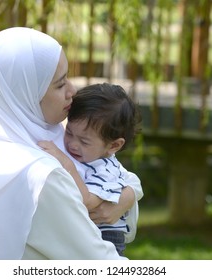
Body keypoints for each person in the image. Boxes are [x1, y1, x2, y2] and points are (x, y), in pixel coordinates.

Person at [0, 27, 143, 260]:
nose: (72, 90)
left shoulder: (34, 141)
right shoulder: (44, 174)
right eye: (60, 84)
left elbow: (120, 175)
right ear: (24, 93)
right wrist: (127, 196)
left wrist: (129, 194)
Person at [38, 83, 142, 256]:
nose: (72, 144)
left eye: (84, 141)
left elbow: (87, 201)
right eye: (69, 132)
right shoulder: (89, 156)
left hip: (106, 238)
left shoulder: (105, 171)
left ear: (114, 145)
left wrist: (66, 162)